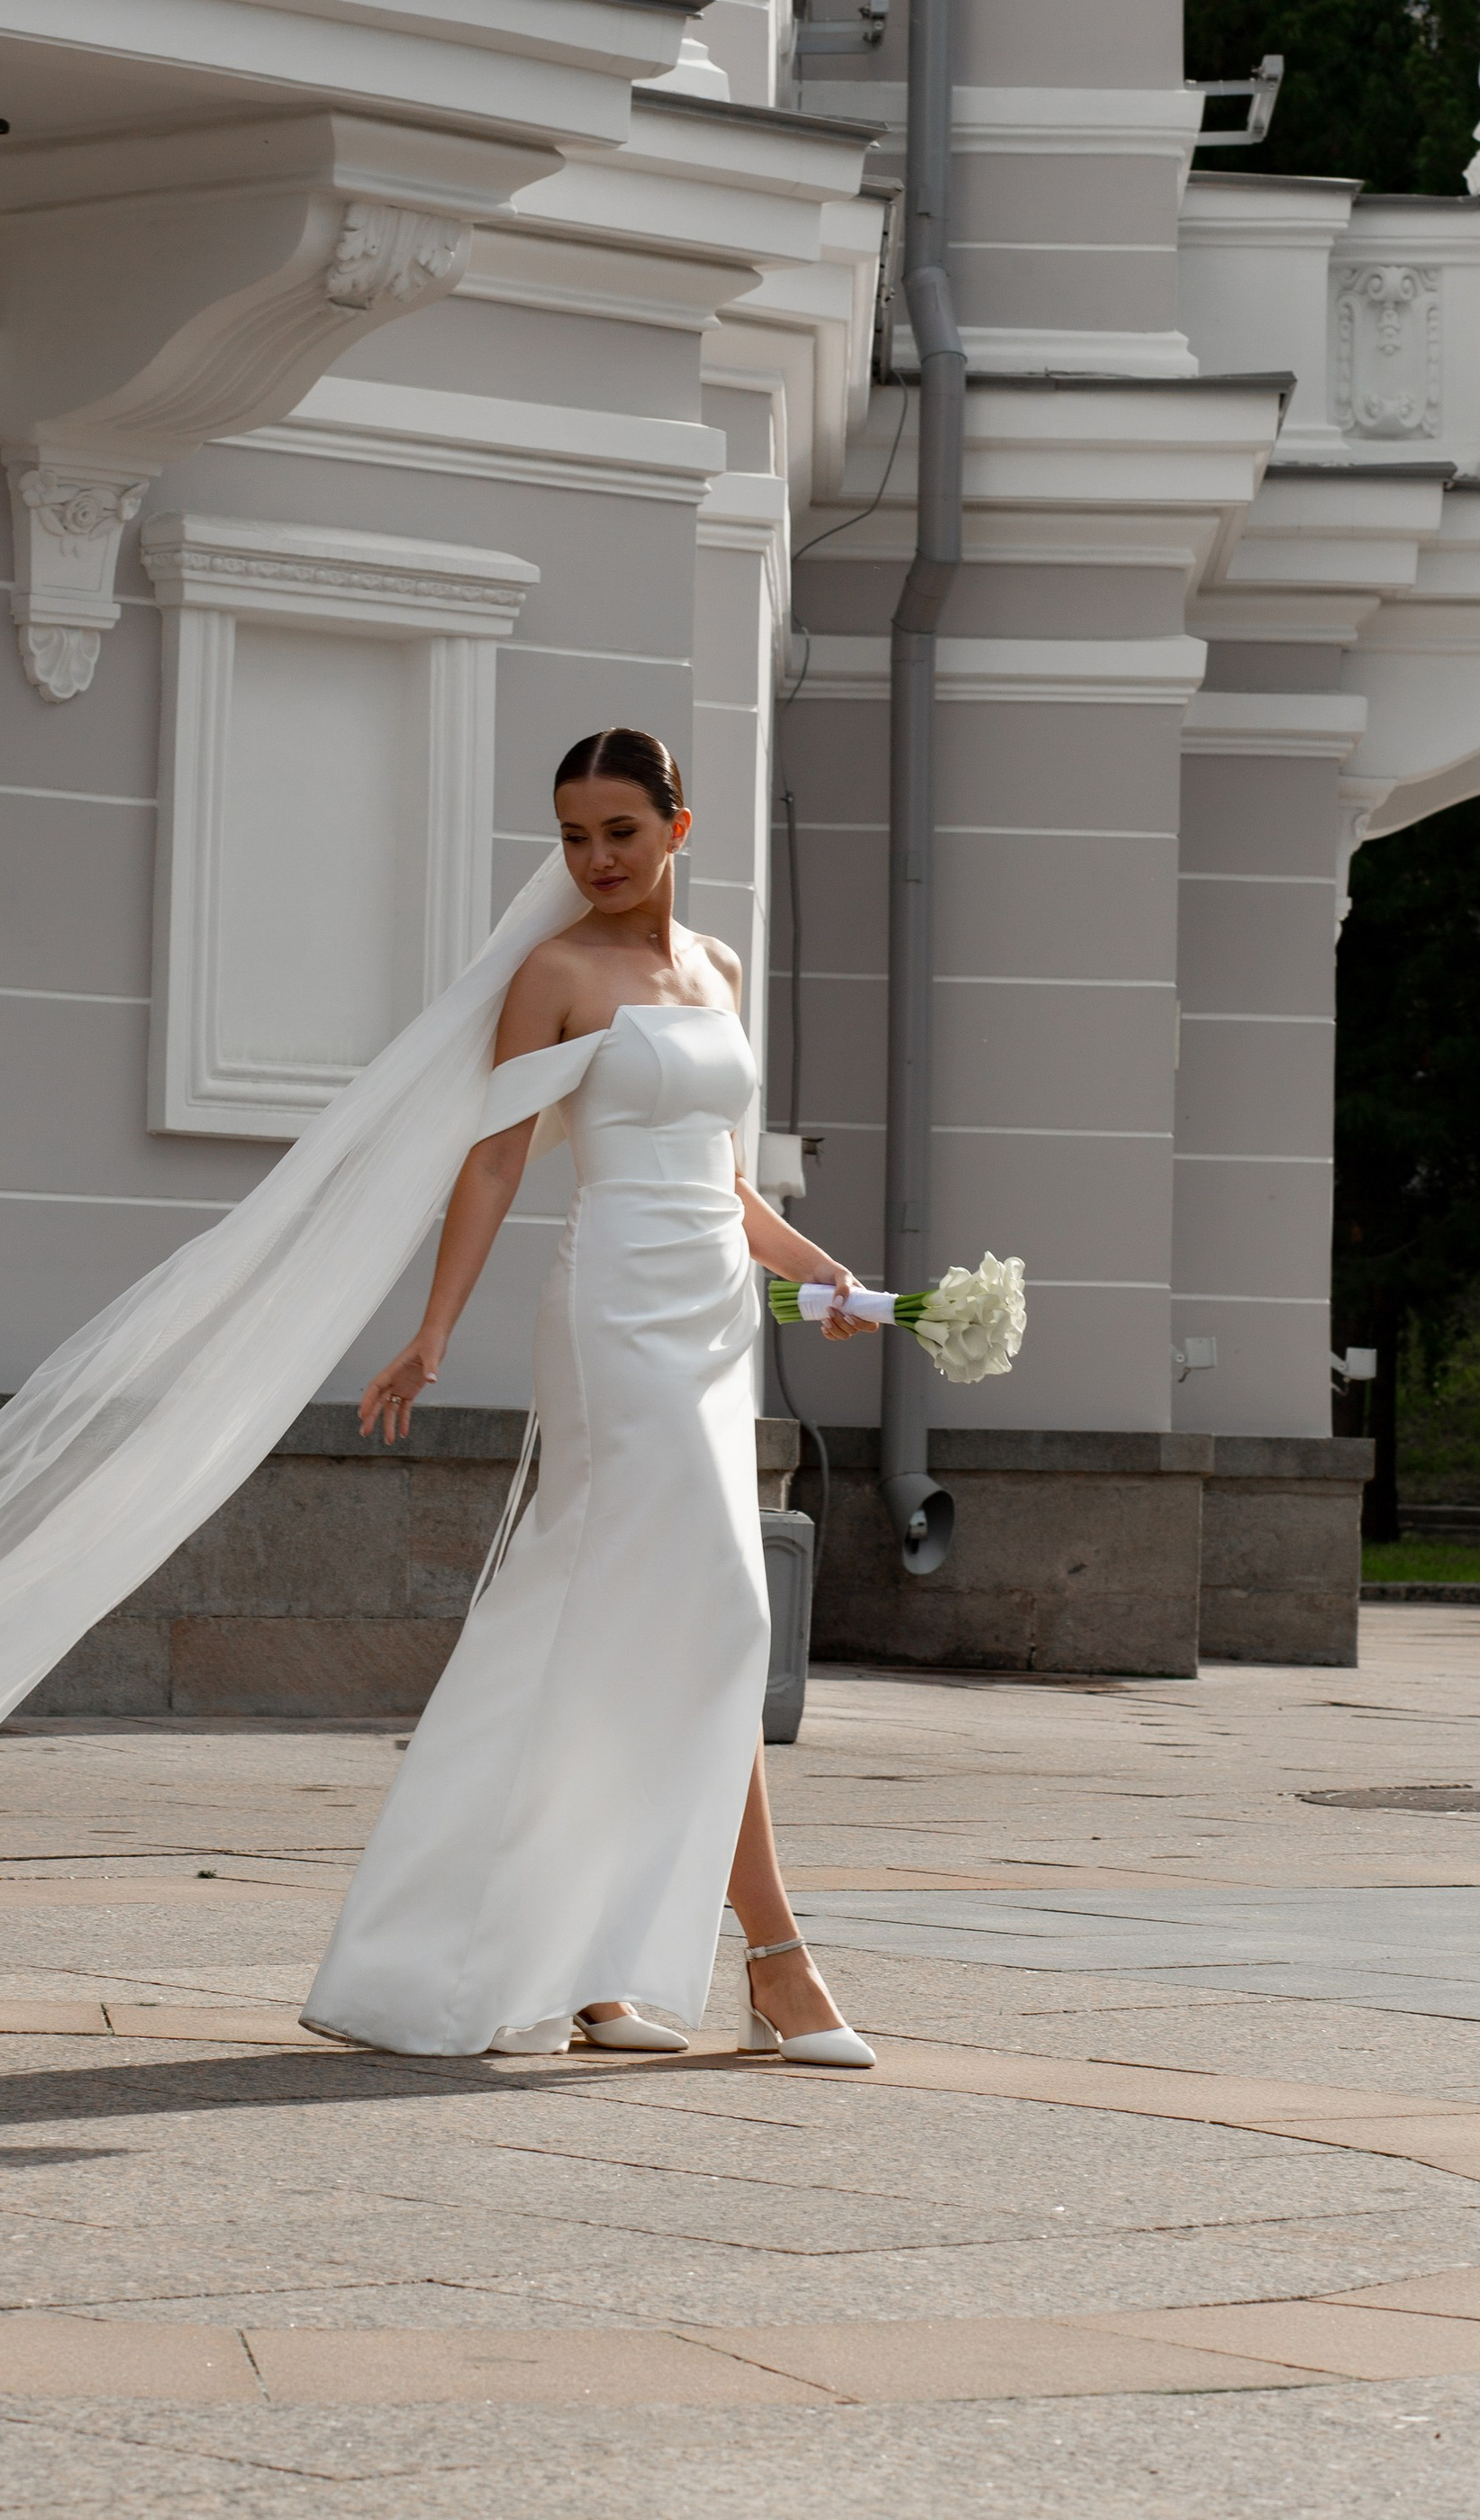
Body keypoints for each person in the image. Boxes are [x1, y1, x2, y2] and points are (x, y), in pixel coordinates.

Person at [300, 728, 878, 2065]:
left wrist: (824, 1278)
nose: (594, 859)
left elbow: (725, 1184)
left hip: (713, 1320)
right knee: (722, 1614)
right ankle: (776, 1960)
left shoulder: (717, 969)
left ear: (681, 827)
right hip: (612, 1317)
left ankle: (598, 1966)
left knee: (638, 1626)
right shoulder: (552, 976)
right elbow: (498, 1160)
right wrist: (436, 1328)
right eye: (572, 835)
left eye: (619, 831)